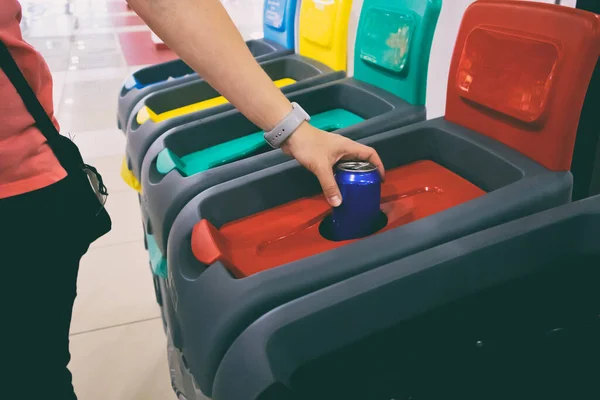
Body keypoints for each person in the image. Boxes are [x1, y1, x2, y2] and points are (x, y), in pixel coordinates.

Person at [1, 0, 384, 398]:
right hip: (20, 189)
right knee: (27, 374)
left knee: (27, 372)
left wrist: (293, 130)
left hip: (18, 192)